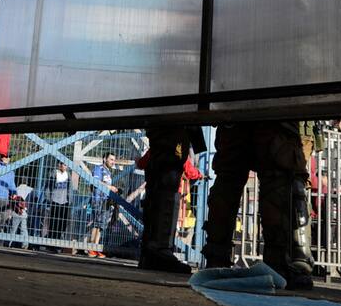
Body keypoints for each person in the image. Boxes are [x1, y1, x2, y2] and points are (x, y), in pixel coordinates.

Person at [202, 121, 319, 290]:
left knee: (227, 181)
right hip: (273, 110)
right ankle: (278, 264)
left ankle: (216, 257)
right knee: (277, 178)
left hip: (233, 110)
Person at [137, 126, 206, 273]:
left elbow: (142, 163)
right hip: (177, 122)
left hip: (165, 123)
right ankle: (160, 250)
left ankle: (151, 251)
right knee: (170, 171)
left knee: (161, 175)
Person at [88, 153, 118, 258]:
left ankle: (95, 248)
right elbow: (95, 182)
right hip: (98, 199)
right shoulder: (98, 169)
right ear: (105, 159)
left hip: (106, 201)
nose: (113, 162)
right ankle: (90, 248)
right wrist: (109, 187)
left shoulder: (109, 172)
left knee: (101, 225)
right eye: (111, 159)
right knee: (96, 223)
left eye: (114, 160)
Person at [47, 161, 71, 246]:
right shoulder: (54, 173)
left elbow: (69, 187)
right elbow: (49, 185)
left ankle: (58, 241)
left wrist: (69, 199)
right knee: (54, 222)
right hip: (55, 200)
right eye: (61, 164)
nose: (63, 166)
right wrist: (48, 198)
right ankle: (51, 241)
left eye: (65, 164)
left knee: (62, 223)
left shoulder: (68, 175)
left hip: (64, 201)